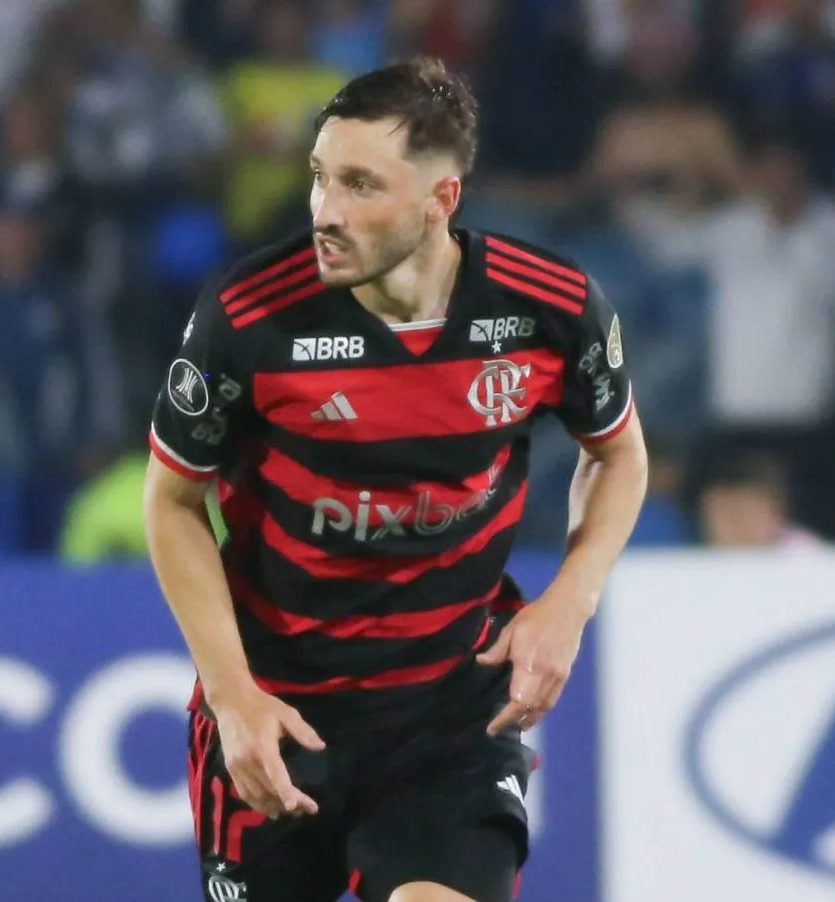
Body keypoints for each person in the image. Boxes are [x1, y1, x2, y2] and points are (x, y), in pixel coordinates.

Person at [143, 58, 648, 902]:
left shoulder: (547, 308)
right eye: (319, 177)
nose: (324, 212)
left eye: (359, 185)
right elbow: (171, 499)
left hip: (449, 715)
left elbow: (619, 452)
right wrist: (232, 695)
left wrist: (569, 601)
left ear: (440, 199)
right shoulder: (248, 314)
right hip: (282, 708)